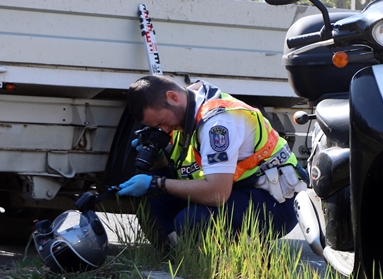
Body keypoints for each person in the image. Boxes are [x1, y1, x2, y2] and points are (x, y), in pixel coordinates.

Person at [118, 75, 304, 244]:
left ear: (173, 97)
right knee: (155, 197)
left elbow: (217, 193)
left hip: (275, 202)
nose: (165, 130)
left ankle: (250, 258)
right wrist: (156, 156)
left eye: (162, 122)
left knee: (192, 220)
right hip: (241, 191)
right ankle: (178, 257)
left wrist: (157, 183)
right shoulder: (185, 110)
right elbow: (178, 171)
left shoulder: (218, 124)